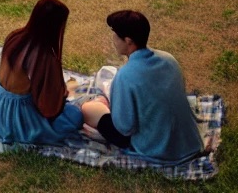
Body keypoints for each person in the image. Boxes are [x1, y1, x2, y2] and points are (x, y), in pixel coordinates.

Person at [80, 10, 204, 165]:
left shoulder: (125, 76)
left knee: (89, 109)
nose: (113, 40)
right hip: (189, 141)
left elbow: (125, 128)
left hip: (156, 148)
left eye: (115, 36)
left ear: (128, 41)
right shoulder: (169, 59)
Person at [0, 0, 83, 146]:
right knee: (75, 116)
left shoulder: (14, 36)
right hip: (18, 120)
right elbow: (48, 106)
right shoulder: (43, 57)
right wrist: (63, 93)